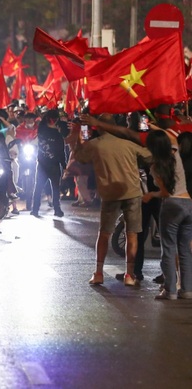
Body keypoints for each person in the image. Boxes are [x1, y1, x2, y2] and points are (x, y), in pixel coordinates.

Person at [73, 114, 152, 286]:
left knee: (104, 233)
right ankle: (129, 275)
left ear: (99, 127)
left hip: (110, 195)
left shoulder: (95, 145)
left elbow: (80, 157)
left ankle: (99, 273)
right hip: (131, 192)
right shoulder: (128, 144)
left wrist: (78, 137)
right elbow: (149, 156)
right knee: (132, 235)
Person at [143, 130, 192, 300]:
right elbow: (172, 136)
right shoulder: (176, 156)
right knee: (185, 249)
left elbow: (165, 192)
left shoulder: (156, 166)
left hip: (172, 206)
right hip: (188, 204)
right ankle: (187, 290)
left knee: (169, 248)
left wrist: (151, 195)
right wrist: (160, 127)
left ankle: (170, 290)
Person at [30, 109, 67, 218]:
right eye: (52, 119)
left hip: (54, 165)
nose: (53, 121)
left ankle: (56, 208)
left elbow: (61, 151)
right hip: (42, 164)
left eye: (55, 119)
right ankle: (35, 209)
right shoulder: (43, 130)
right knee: (39, 187)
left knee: (55, 188)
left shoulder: (57, 133)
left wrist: (64, 166)